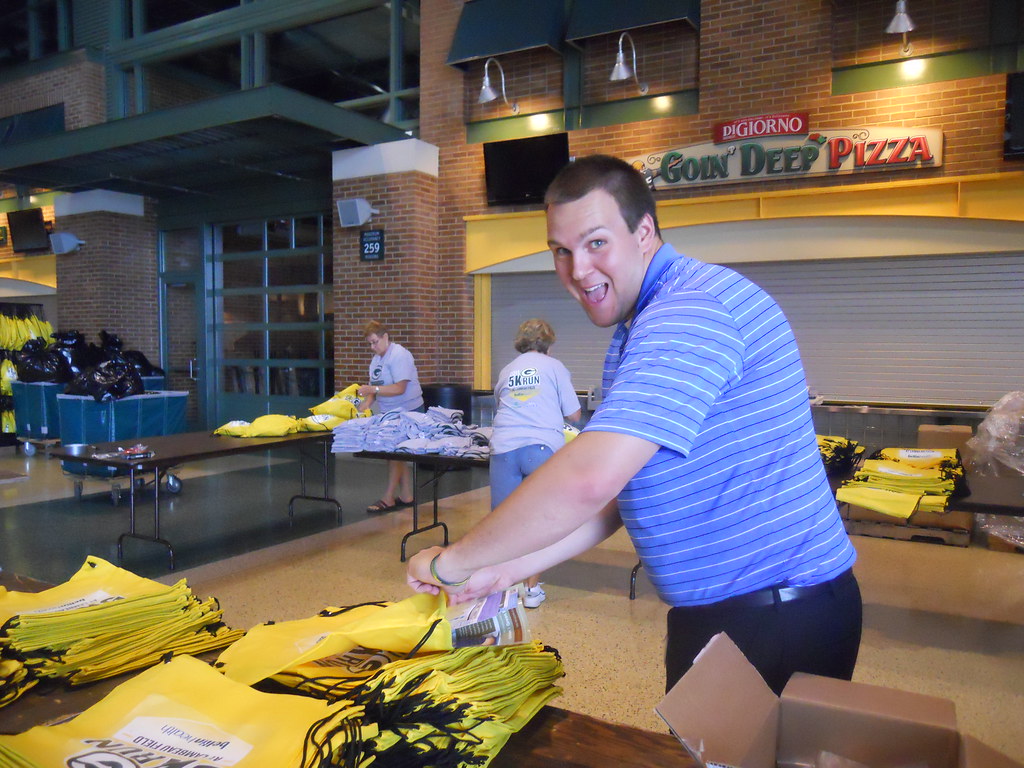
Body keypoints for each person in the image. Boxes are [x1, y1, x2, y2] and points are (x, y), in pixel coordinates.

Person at [407, 154, 862, 696]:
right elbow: (619, 498)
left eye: (597, 242)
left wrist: (453, 564)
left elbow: (588, 480)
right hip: (729, 613)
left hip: (777, 615)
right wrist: (505, 568)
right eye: (562, 251)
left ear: (644, 232)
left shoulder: (690, 311)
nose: (577, 270)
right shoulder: (643, 323)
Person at [490, 318, 581, 608]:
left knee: (503, 523)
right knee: (537, 523)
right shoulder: (554, 368)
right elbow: (575, 415)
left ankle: (502, 591)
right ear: (548, 344)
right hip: (539, 448)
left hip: (503, 448)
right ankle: (530, 591)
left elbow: (501, 405)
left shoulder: (507, 369)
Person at [357, 320, 424, 514]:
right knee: (395, 455)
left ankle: (388, 498)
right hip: (389, 412)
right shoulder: (377, 359)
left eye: (375, 342)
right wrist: (368, 402)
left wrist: (372, 389)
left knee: (394, 454)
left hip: (408, 410)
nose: (372, 347)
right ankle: (406, 495)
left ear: (385, 337)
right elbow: (374, 385)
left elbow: (399, 388)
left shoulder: (400, 355)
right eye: (369, 343)